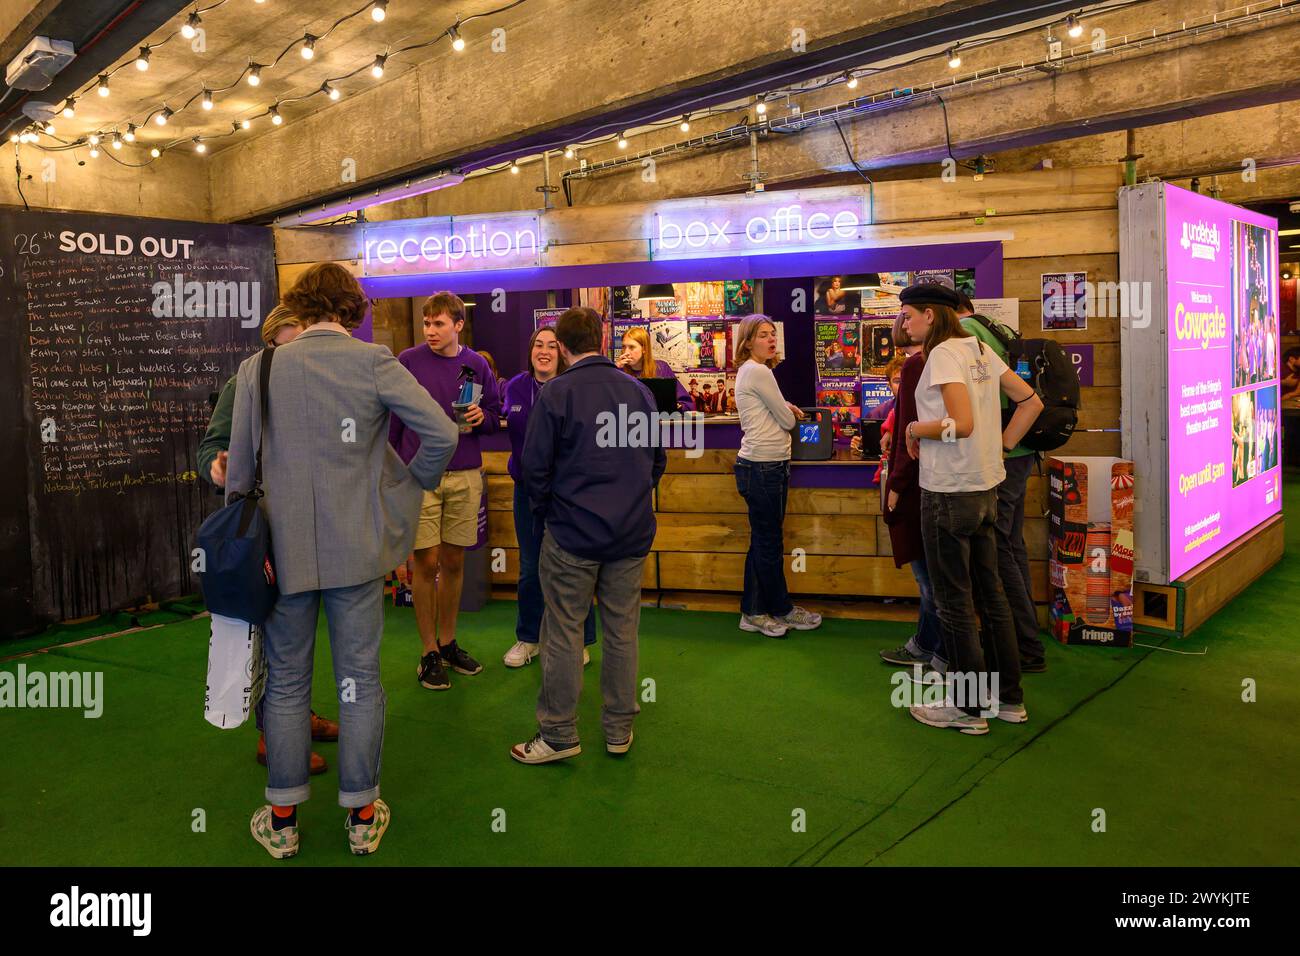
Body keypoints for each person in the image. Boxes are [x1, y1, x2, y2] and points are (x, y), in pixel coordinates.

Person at [228, 263, 458, 858]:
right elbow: (441, 434)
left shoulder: (259, 369)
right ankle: (360, 814)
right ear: (351, 310)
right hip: (358, 551)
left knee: (284, 687)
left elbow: (240, 480)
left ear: (300, 307)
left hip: (282, 557)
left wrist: (249, 549)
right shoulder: (374, 361)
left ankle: (281, 821)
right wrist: (404, 492)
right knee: (358, 683)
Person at [511, 307, 666, 764]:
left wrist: (553, 513)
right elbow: (656, 463)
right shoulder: (638, 392)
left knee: (562, 634)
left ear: (560, 346)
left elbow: (533, 469)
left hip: (572, 537)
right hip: (629, 535)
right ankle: (618, 729)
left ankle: (559, 734)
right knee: (621, 632)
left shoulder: (556, 394)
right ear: (602, 338)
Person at [198, 305, 339, 776]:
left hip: (309, 523)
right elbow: (210, 447)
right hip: (260, 529)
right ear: (271, 342)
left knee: (294, 635)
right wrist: (217, 467)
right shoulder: (245, 382)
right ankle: (273, 737)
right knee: (267, 632)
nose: (300, 353)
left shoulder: (316, 383)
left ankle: (295, 714)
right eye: (290, 343)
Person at [901, 284, 1043, 735]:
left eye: (908, 315)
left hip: (948, 491)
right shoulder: (980, 347)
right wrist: (1000, 446)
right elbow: (1030, 402)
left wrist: (914, 428)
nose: (904, 323)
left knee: (955, 603)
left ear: (929, 314)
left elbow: (959, 425)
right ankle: (1007, 699)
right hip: (986, 487)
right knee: (992, 595)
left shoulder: (942, 354)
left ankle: (966, 707)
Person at [390, 292, 503, 691]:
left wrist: (482, 417)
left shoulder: (476, 365)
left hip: (466, 473)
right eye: (426, 323)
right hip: (420, 476)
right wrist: (392, 474)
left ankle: (449, 641)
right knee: (426, 563)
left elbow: (495, 416)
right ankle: (428, 651)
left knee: (455, 561)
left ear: (458, 325)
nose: (431, 331)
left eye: (439, 323)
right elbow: (392, 424)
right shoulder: (407, 361)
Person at [955, 291, 1049, 673]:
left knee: (1001, 552)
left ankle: (1023, 647)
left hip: (1004, 457)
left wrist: (1002, 447)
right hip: (1024, 453)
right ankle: (1024, 639)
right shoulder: (998, 328)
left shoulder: (964, 334)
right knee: (1012, 546)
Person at [501, 327, 598, 668]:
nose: (544, 351)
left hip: (566, 494)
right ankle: (529, 638)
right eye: (538, 345)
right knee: (530, 568)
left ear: (563, 353)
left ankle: (579, 640)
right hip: (527, 491)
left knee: (575, 567)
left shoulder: (574, 388)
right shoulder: (514, 387)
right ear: (530, 350)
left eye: (552, 346)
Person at [732, 315, 823, 638]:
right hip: (763, 466)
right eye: (763, 335)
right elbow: (786, 421)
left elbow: (775, 410)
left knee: (763, 541)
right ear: (747, 342)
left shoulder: (754, 372)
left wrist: (783, 407)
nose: (771, 340)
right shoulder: (758, 371)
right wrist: (787, 410)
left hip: (763, 465)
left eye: (773, 334)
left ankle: (754, 611)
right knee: (769, 543)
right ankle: (779, 608)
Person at [875, 311, 946, 674]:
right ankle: (929, 645)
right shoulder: (941, 360)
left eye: (910, 316)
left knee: (929, 577)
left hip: (922, 482)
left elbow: (909, 432)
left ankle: (936, 651)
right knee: (936, 576)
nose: (904, 325)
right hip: (943, 480)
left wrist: (897, 485)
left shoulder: (920, 365)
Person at [615, 326, 694, 411]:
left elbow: (688, 405)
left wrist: (678, 406)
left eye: (631, 347)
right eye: (623, 347)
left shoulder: (661, 368)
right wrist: (615, 371)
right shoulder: (618, 371)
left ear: (644, 349)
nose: (626, 352)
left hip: (657, 421)